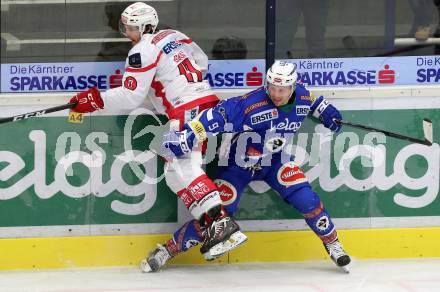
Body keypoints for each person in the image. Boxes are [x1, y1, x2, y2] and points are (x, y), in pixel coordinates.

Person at [68, 2, 246, 264]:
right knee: (173, 172)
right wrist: (170, 92)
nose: (125, 32)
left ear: (143, 27)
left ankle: (221, 222)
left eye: (129, 27)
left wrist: (95, 101)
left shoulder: (141, 51)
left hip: (186, 110)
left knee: (184, 163)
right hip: (204, 104)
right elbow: (201, 62)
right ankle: (209, 222)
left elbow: (130, 96)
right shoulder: (174, 35)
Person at [148, 60, 351, 273]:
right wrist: (189, 134)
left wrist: (326, 111)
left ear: (292, 87)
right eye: (272, 87)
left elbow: (312, 101)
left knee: (307, 199)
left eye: (281, 89)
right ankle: (167, 251)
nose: (275, 94)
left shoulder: (301, 95)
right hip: (236, 165)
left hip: (274, 161)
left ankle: (333, 244)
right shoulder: (251, 104)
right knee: (216, 218)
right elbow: (218, 116)